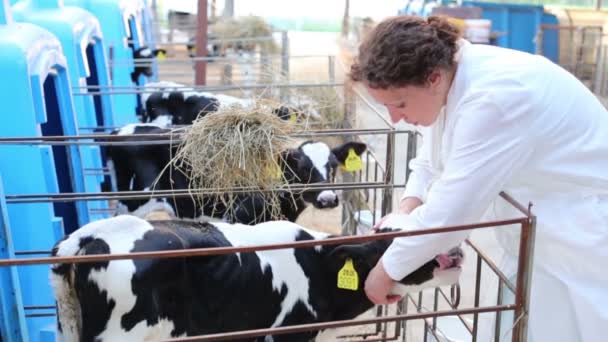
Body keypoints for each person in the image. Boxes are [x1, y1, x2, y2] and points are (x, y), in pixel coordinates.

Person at [349, 15, 608, 341]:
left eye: (399, 103)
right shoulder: (454, 76)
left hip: (587, 237)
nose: (395, 117)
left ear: (431, 78)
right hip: (545, 234)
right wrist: (405, 211)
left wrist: (384, 272)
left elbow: (451, 215)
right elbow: (431, 160)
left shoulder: (495, 97)